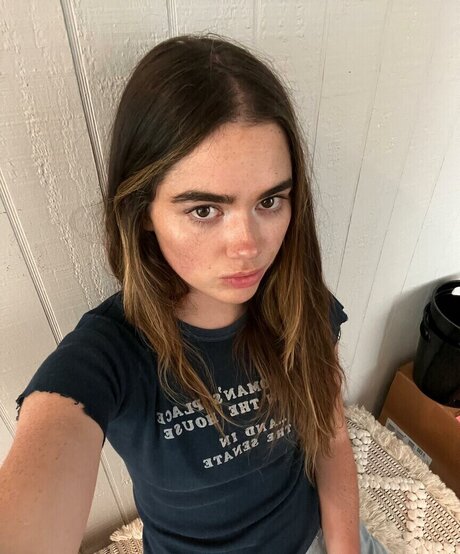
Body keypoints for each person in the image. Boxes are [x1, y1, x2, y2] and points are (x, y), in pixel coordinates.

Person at [0, 34, 387, 554]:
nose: (248, 246)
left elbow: (332, 439)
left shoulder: (300, 302)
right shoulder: (107, 357)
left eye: (269, 201)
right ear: (142, 213)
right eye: (204, 210)